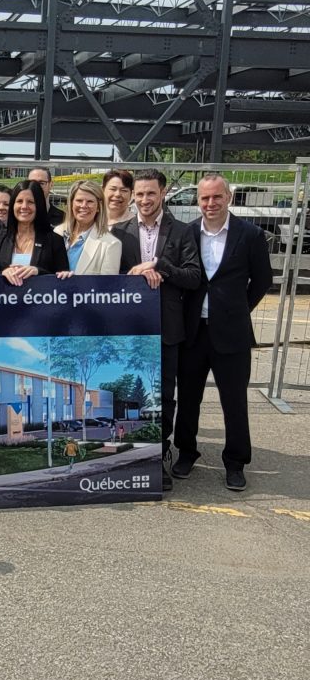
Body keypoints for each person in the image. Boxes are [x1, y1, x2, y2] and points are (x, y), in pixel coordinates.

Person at [173, 173, 273, 491]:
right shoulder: (187, 233)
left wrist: (237, 309)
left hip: (231, 333)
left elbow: (262, 281)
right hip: (193, 332)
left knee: (234, 401)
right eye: (204, 198)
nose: (210, 203)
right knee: (188, 398)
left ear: (228, 197)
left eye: (216, 197)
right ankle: (186, 453)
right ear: (197, 200)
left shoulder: (251, 235)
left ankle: (236, 462)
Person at [113, 168, 202, 490]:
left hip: (167, 327)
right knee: (131, 395)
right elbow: (111, 278)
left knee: (163, 395)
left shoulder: (182, 231)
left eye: (151, 193)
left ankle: (158, 455)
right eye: (139, 194)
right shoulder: (120, 232)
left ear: (163, 193)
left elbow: (193, 277)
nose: (145, 200)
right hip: (132, 331)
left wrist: (159, 266)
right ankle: (135, 453)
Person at [0, 179, 64, 285]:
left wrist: (39, 272)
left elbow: (63, 280)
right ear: (13, 205)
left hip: (41, 299)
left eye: (30, 202)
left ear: (39, 206)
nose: (24, 206)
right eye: (19, 201)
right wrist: (2, 273)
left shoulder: (55, 241)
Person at [55, 179, 123, 275]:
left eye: (90, 201)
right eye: (79, 200)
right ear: (71, 204)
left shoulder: (110, 244)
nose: (84, 205)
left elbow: (107, 287)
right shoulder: (57, 232)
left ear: (99, 207)